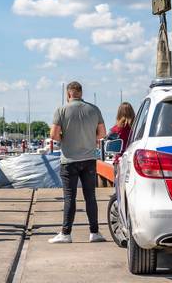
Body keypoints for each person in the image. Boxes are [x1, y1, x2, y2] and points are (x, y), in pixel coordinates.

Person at [48, 81, 107, 244]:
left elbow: (54, 134)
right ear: (81, 93)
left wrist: (64, 139)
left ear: (68, 94)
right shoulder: (94, 109)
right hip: (89, 159)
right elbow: (102, 133)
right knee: (90, 197)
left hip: (69, 160)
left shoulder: (61, 110)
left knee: (69, 197)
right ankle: (94, 233)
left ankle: (66, 234)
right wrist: (90, 139)